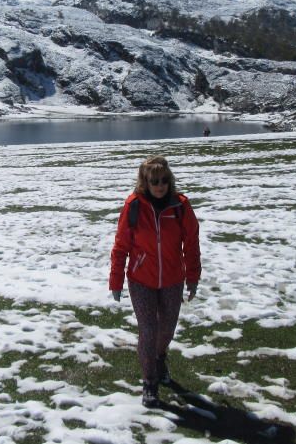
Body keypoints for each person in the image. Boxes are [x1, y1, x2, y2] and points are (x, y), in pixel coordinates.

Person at [109, 156, 201, 407]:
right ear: (145, 182)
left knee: (167, 329)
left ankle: (160, 357)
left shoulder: (180, 206)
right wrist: (116, 280)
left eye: (163, 181)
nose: (159, 186)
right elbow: (121, 246)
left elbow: (191, 245)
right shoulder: (135, 206)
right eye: (154, 181)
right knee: (148, 330)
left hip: (172, 279)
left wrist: (192, 277)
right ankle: (150, 381)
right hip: (141, 280)